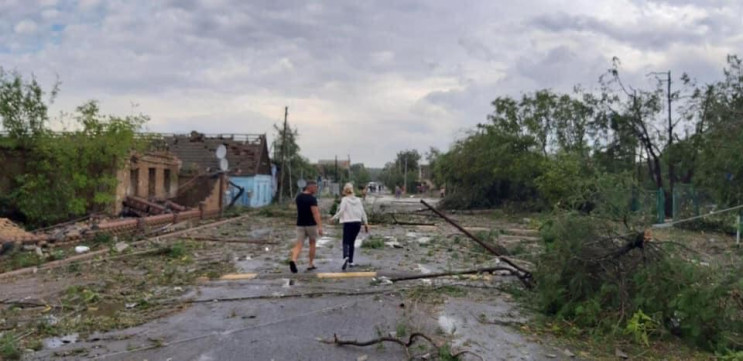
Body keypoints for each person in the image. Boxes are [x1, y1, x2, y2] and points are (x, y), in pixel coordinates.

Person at [331, 183, 369, 270]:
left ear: (345, 191)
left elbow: (341, 211)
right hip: (357, 223)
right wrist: (366, 224)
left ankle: (346, 256)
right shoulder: (358, 200)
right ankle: (351, 261)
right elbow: (363, 212)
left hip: (348, 223)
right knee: (352, 242)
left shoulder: (345, 199)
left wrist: (334, 218)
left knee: (345, 241)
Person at [290, 180, 323, 273]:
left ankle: (293, 260)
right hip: (311, 225)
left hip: (300, 224)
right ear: (310, 187)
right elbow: (315, 213)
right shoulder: (312, 199)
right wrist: (320, 227)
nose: (316, 189)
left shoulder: (299, 197)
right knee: (312, 243)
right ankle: (310, 263)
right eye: (315, 187)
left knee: (299, 244)